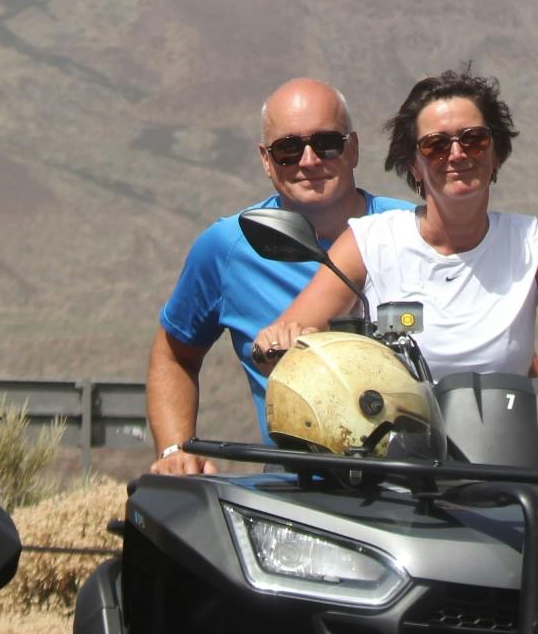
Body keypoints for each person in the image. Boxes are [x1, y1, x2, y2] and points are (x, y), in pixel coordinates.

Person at [253, 67, 538, 389]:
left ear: (496, 153)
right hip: (394, 467)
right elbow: (293, 328)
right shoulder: (370, 242)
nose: (457, 154)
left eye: (473, 139)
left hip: (507, 461)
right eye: (436, 145)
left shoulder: (532, 244)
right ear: (413, 165)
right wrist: (279, 341)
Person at [147, 78, 415, 475]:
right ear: (265, 159)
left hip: (420, 482)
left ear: (354, 148)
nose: (309, 161)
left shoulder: (412, 230)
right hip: (295, 492)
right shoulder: (228, 247)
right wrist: (174, 451)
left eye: (326, 143)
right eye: (288, 149)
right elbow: (174, 354)